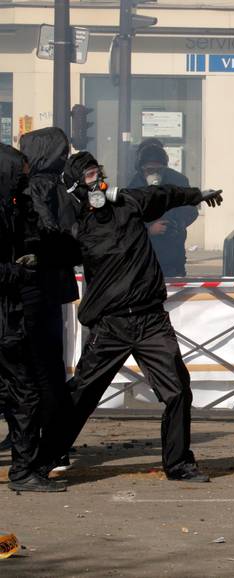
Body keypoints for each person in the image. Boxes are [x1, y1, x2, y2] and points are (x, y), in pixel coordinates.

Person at [35, 151, 224, 483]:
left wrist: (198, 194)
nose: (97, 181)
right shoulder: (77, 226)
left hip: (151, 319)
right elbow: (52, 246)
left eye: (98, 173)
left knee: (178, 390)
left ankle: (179, 464)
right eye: (89, 177)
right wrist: (33, 258)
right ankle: (41, 462)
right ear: (77, 187)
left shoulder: (128, 203)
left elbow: (163, 195)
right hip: (111, 324)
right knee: (80, 394)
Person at [0, 143, 65, 491]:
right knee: (24, 395)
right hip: (6, 323)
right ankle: (24, 472)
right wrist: (19, 271)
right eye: (18, 174)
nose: (23, 181)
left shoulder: (12, 208)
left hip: (10, 319)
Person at [18, 127, 80, 471]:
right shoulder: (58, 185)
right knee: (48, 365)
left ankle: (49, 444)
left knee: (40, 368)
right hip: (53, 287)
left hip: (38, 288)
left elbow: (48, 232)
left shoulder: (39, 187)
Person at [129, 139, 199, 278]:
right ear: (141, 169)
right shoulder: (134, 187)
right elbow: (127, 221)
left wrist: (177, 222)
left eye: (159, 170)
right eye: (150, 170)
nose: (154, 174)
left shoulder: (178, 181)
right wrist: (149, 229)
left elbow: (191, 209)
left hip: (173, 251)